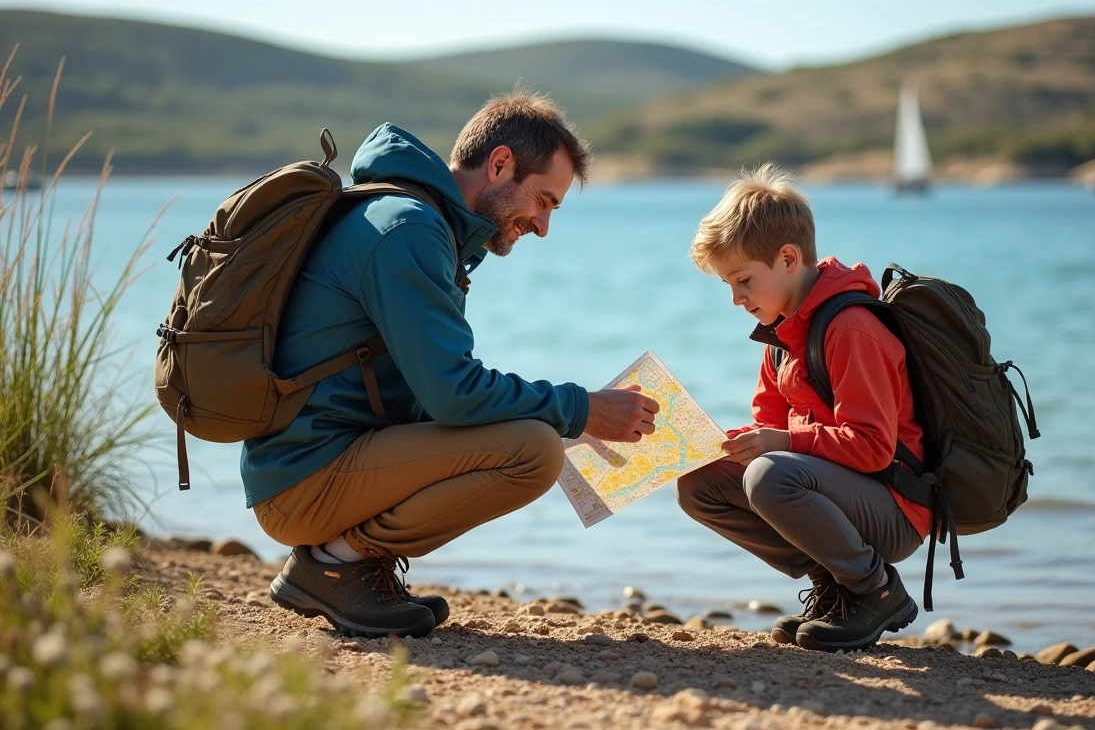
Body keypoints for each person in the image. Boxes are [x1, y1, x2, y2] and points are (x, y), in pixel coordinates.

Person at [246, 90, 659, 638]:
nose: (541, 225)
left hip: (310, 464)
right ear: (500, 164)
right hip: (304, 480)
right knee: (533, 452)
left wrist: (563, 418)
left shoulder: (415, 219)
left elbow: (429, 393)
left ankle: (346, 564)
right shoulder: (409, 230)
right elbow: (453, 394)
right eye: (543, 200)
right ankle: (334, 563)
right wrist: (580, 410)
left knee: (535, 433)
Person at [675, 164, 931, 652]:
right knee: (697, 481)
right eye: (729, 285)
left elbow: (874, 448)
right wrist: (706, 443)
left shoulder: (850, 328)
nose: (736, 299)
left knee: (769, 475)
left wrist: (779, 444)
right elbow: (770, 429)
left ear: (789, 258)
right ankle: (837, 587)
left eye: (744, 280)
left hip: (893, 506)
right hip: (833, 494)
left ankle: (876, 590)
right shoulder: (781, 338)